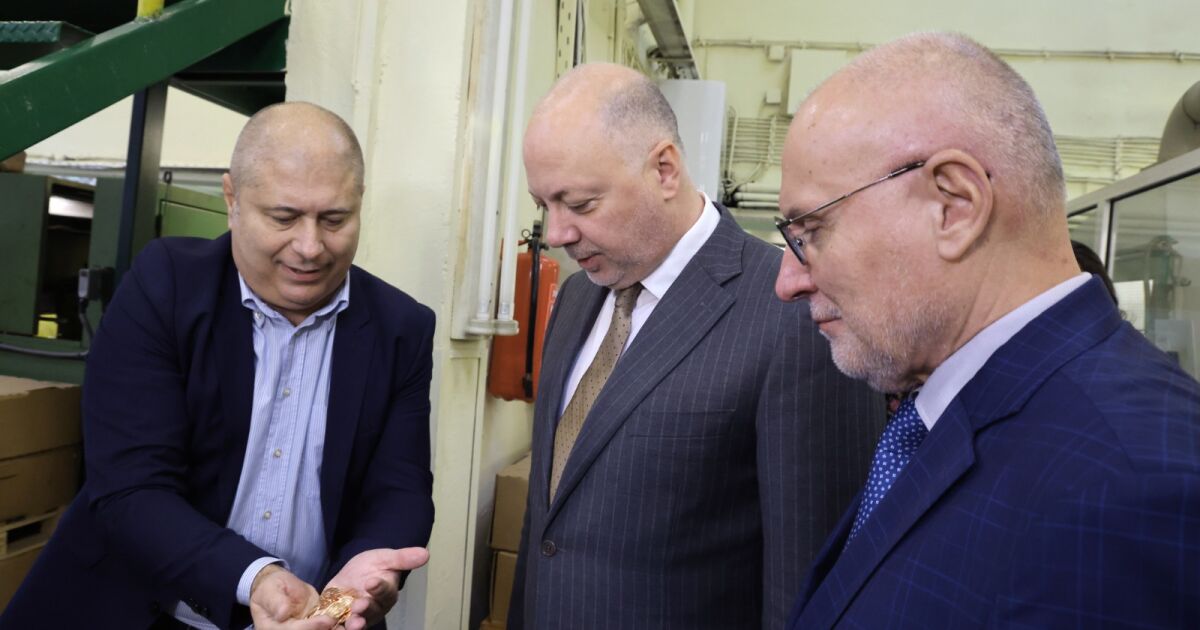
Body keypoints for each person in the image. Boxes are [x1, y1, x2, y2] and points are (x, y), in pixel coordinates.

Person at [775, 33, 1200, 628]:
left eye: (811, 232)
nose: (788, 281)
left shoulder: (1132, 488)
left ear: (954, 205)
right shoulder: (953, 411)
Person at [1, 102, 436, 630]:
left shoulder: (401, 329)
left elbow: (399, 489)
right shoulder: (166, 288)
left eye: (334, 219)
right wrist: (257, 579)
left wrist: (364, 577)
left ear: (359, 202)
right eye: (283, 218)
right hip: (138, 610)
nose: (310, 247)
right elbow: (132, 487)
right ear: (232, 200)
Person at [509, 63, 884, 629]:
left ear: (664, 169)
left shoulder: (794, 314)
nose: (558, 233)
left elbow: (810, 575)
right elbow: (548, 525)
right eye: (544, 206)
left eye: (580, 204)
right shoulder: (578, 299)